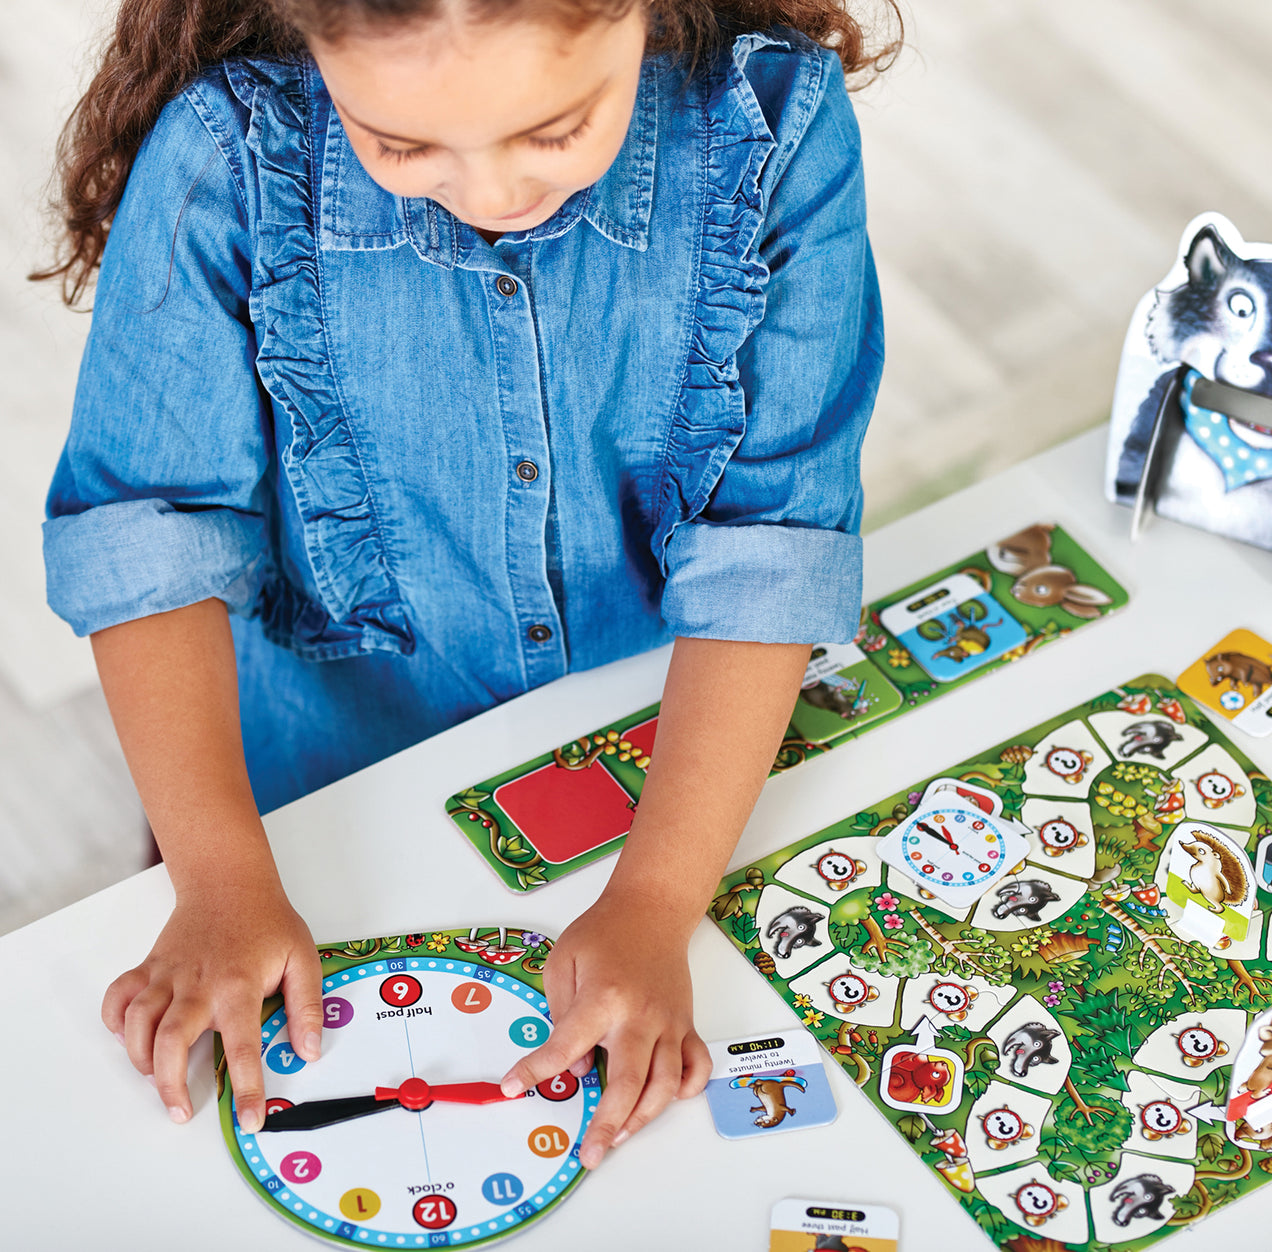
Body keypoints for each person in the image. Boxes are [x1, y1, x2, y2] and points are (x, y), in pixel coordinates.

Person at [36, 0, 896, 1169]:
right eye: (400, 145)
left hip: (660, 780)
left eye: (554, 129)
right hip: (297, 799)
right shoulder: (226, 151)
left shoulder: (776, 123)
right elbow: (149, 541)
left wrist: (654, 900)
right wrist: (221, 877)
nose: (492, 193)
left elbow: (770, 550)